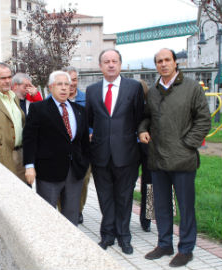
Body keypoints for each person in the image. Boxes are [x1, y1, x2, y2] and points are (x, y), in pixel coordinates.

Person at [139, 48, 211, 267]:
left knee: (185, 206)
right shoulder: (153, 91)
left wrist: (187, 145)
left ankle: (186, 248)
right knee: (160, 205)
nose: (163, 64)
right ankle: (164, 244)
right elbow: (146, 117)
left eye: (167, 60)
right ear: (156, 65)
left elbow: (203, 121)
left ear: (175, 63)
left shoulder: (192, 88)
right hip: (157, 159)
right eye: (159, 61)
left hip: (183, 160)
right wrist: (142, 129)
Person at [85, 49, 144, 255]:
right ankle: (107, 235)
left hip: (126, 154)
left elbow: (139, 117)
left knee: (124, 198)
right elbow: (90, 120)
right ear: (100, 66)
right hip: (100, 154)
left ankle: (124, 237)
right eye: (106, 61)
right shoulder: (92, 90)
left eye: (114, 61)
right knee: (105, 198)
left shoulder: (134, 87)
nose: (111, 65)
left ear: (120, 64)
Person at [23, 70, 90, 226]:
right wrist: (29, 166)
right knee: (48, 216)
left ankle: (70, 245)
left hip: (74, 172)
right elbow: (29, 139)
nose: (64, 88)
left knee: (72, 215)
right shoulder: (38, 109)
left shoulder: (79, 110)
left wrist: (84, 163)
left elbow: (84, 141)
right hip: (48, 172)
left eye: (67, 84)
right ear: (50, 87)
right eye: (59, 84)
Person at [63, 66, 91, 224]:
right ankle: (65, 212)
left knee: (83, 182)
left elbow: (93, 121)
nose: (71, 83)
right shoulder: (55, 100)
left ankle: (148, 218)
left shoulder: (87, 99)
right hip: (62, 152)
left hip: (82, 151)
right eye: (68, 80)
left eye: (74, 80)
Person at [138, 80, 152, 233]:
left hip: (146, 146)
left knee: (149, 184)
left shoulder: (149, 106)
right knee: (148, 184)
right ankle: (146, 221)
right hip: (137, 147)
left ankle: (147, 219)